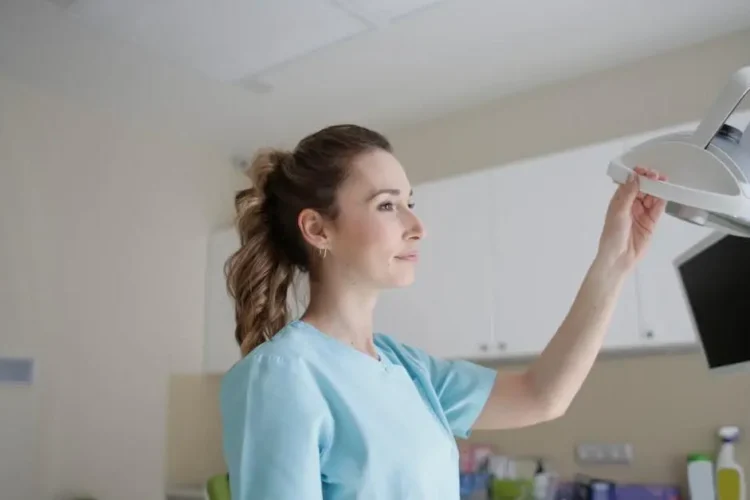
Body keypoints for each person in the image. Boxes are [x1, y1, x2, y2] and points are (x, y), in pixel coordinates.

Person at [219, 124, 666, 500]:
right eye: (387, 205)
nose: (417, 227)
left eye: (410, 203)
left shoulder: (407, 368)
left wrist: (614, 261)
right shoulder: (282, 374)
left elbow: (541, 395)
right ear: (318, 229)